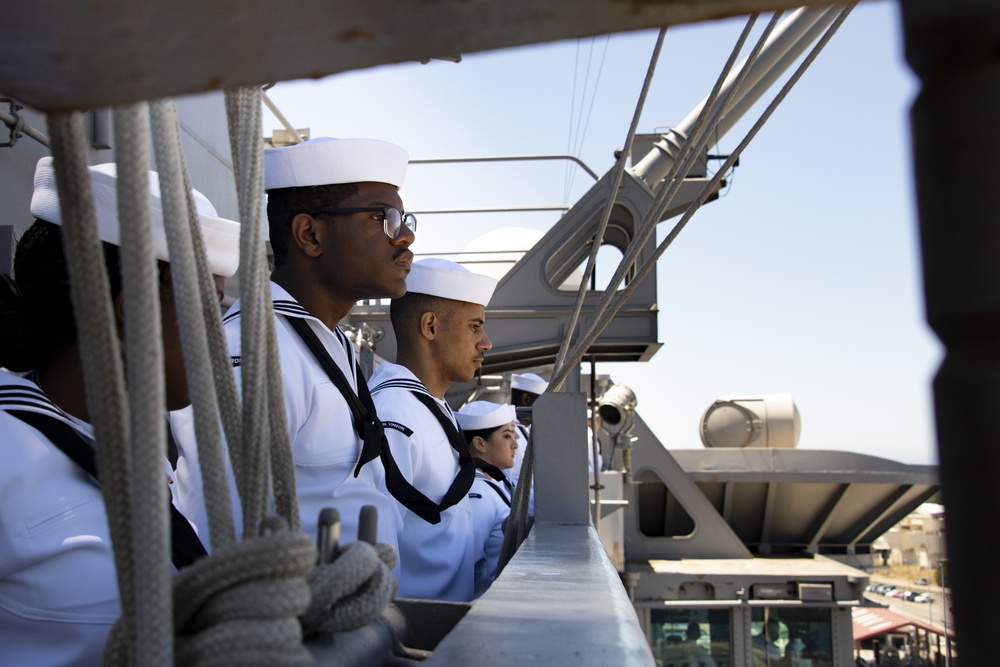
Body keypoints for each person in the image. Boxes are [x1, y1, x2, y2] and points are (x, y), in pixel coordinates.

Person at [0, 158, 239, 666]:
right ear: (133, 313)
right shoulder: (8, 451)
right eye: (210, 311)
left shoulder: (127, 450)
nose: (222, 342)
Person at [171, 137, 413, 552]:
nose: (405, 236)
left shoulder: (327, 342)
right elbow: (225, 538)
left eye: (405, 218)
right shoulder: (261, 353)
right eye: (383, 217)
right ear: (310, 234)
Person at [369, 258, 498, 601]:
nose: (485, 342)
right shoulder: (395, 415)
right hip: (411, 635)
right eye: (474, 326)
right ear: (430, 327)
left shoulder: (431, 409)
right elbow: (376, 552)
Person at [456, 400, 518, 597]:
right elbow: (468, 565)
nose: (515, 444)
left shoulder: (494, 484)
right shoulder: (477, 495)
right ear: (480, 443)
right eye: (507, 436)